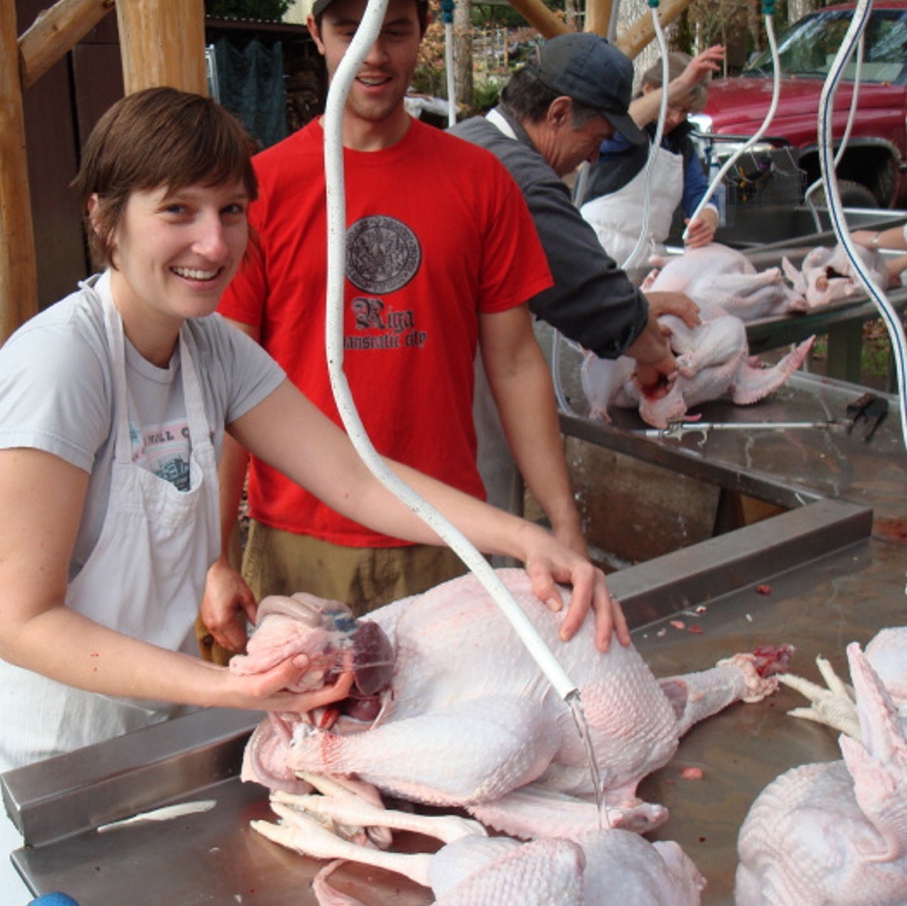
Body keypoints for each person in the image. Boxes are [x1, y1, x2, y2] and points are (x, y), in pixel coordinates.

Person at [0, 88, 626, 906]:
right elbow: (24, 622)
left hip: (145, 739)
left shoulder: (213, 350)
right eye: (177, 211)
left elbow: (357, 475)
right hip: (31, 759)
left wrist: (522, 536)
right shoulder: (60, 368)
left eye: (231, 210)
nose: (212, 242)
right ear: (105, 217)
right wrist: (232, 689)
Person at [211, 0, 586, 633]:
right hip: (300, 536)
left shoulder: (481, 182)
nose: (374, 54)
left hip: (443, 531)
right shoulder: (257, 190)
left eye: (395, 31)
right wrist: (213, 555)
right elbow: (225, 384)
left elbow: (516, 363)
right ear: (316, 35)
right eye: (349, 31)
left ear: (423, 33)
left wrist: (563, 519)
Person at [448, 33, 700, 395]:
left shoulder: (467, 136)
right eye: (596, 139)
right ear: (558, 113)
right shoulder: (523, 181)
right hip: (462, 396)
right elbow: (598, 304)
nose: (595, 157)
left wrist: (638, 306)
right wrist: (656, 354)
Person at [580, 47, 726, 267]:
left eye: (685, 111)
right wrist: (681, 83)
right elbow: (620, 126)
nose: (677, 118)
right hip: (597, 246)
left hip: (650, 256)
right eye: (673, 105)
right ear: (649, 90)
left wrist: (707, 219)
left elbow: (698, 193)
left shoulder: (682, 146)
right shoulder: (623, 131)